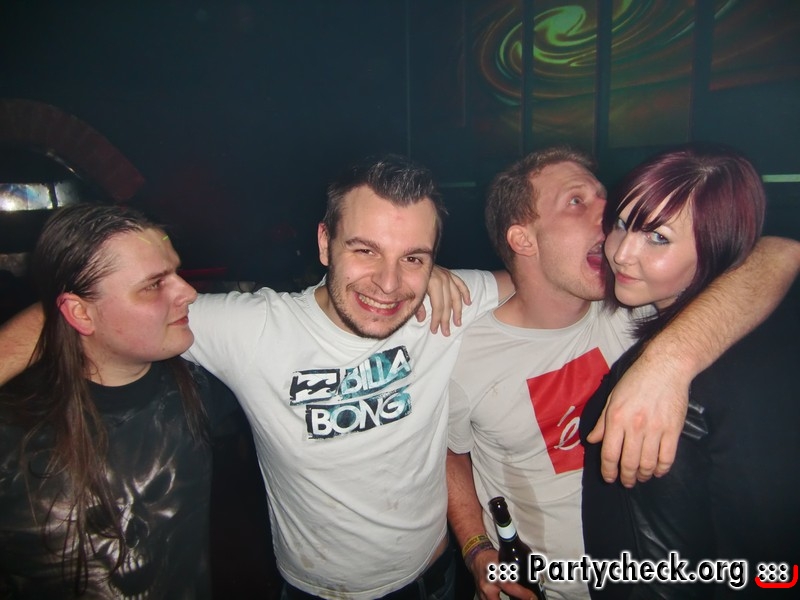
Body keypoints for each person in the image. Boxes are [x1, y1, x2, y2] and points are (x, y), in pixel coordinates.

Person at [2, 154, 793, 599]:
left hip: (438, 577)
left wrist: (671, 358)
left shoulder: (459, 301)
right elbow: (81, 311)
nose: (389, 284)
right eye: (364, 251)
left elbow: (773, 252)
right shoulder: (252, 328)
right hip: (315, 590)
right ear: (324, 243)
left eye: (414, 256)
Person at [445, 147, 800, 600]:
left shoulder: (637, 303)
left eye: (604, 197)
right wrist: (476, 547)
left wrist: (667, 360)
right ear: (523, 239)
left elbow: (777, 254)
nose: (607, 212)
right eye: (577, 201)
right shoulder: (465, 356)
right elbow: (450, 452)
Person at [580, 144, 800, 598]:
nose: (621, 253)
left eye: (658, 237)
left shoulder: (674, 389)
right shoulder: (765, 325)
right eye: (621, 223)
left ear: (718, 244)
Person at [0, 205, 239, 598]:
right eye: (153, 285)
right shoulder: (13, 431)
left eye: (175, 272)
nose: (189, 292)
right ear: (80, 313)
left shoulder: (204, 388)